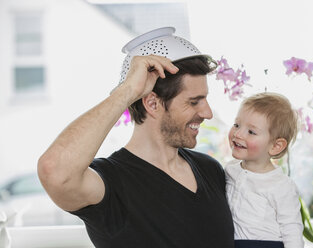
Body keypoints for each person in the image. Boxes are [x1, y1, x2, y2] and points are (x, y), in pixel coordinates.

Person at [37, 28, 234, 248]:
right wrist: (128, 90)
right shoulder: (111, 184)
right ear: (152, 103)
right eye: (194, 102)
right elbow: (53, 171)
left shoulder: (210, 170)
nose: (207, 113)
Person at [225, 92, 304, 248]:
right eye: (237, 125)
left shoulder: (282, 185)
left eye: (251, 132)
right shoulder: (230, 170)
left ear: (275, 146)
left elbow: (292, 229)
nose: (238, 134)